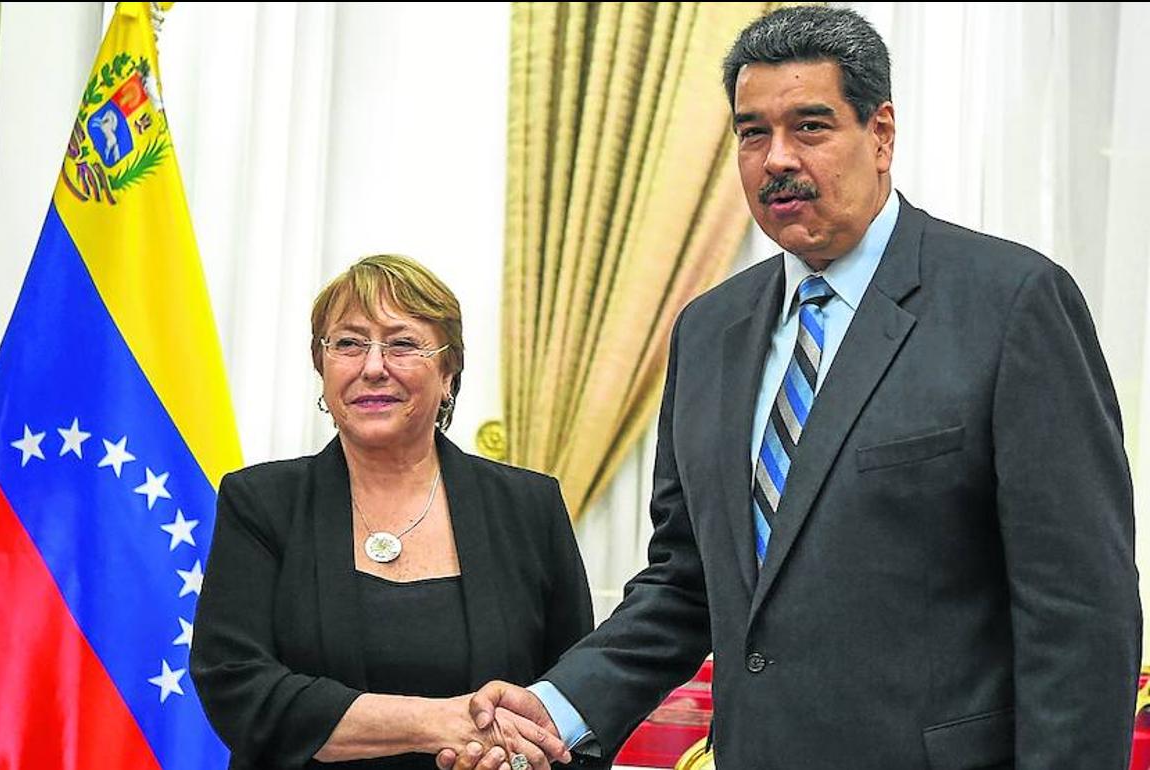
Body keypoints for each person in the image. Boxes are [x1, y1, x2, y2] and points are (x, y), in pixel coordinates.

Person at [440, 7, 1142, 769]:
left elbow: (1079, 609)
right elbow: (687, 584)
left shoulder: (1009, 303)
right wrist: (551, 708)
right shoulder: (707, 331)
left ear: (880, 134)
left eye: (810, 127)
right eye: (751, 132)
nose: (775, 158)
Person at [191, 254, 592, 770]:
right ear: (323, 367)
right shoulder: (262, 502)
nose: (372, 366)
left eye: (402, 344)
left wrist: (520, 758)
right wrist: (442, 723)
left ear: (448, 371)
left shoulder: (529, 507)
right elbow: (237, 685)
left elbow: (575, 696)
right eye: (349, 344)